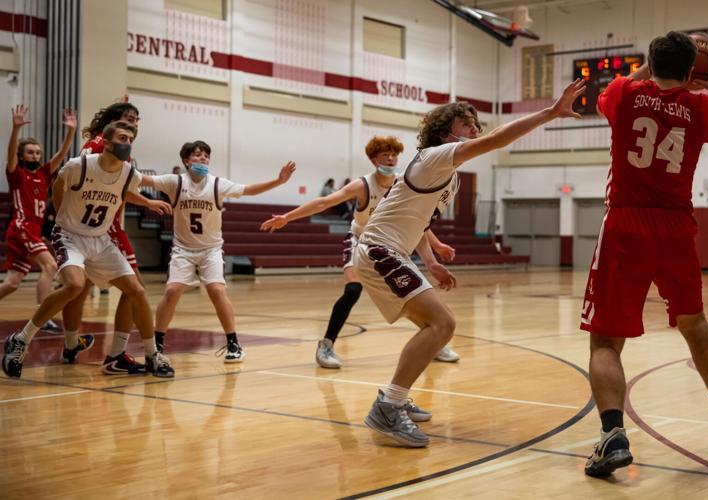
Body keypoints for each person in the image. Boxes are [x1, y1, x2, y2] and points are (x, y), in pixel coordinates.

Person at [354, 81, 586, 447]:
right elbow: (498, 141)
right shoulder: (434, 157)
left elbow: (417, 224)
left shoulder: (449, 175)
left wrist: (430, 262)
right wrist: (550, 113)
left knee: (434, 328)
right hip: (380, 251)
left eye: (476, 124)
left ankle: (396, 397)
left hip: (392, 251)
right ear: (447, 131)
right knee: (442, 323)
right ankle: (388, 405)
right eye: (467, 125)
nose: (475, 130)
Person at [579, 32, 708, 477]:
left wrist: (651, 66)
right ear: (694, 71)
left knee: (605, 338)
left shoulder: (623, 92)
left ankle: (613, 435)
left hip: (625, 224)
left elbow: (627, 87)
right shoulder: (704, 105)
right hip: (677, 227)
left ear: (649, 62)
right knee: (694, 322)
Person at [260, 136, 458, 369]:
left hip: (388, 245)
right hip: (360, 242)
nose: (391, 159)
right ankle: (326, 344)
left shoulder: (404, 183)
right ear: (374, 159)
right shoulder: (363, 185)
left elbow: (418, 221)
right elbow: (324, 202)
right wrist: (287, 217)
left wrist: (437, 246)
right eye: (386, 155)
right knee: (353, 290)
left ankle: (434, 340)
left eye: (394, 154)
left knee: (409, 293)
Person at [2, 120, 174, 378]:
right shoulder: (78, 166)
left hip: (100, 239)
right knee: (74, 285)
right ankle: (21, 340)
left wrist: (148, 201)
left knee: (136, 290)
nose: (127, 143)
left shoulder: (128, 172)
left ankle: (147, 354)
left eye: (130, 139)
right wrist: (64, 219)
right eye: (122, 138)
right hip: (70, 236)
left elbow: (126, 191)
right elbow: (58, 188)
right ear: (105, 142)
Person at [143, 141, 296, 362]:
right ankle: (157, 343)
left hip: (210, 249)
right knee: (172, 291)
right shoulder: (174, 182)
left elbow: (249, 190)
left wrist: (279, 181)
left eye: (206, 156)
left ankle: (233, 342)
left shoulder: (217, 184)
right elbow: (143, 179)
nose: (203, 159)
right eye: (198, 155)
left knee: (216, 290)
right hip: (183, 249)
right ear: (186, 161)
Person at [60, 100, 149, 374]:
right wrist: (149, 202)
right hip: (103, 225)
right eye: (127, 118)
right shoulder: (104, 146)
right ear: (114, 122)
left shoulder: (102, 142)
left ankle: (71, 344)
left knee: (81, 287)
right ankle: (117, 354)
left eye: (136, 119)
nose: (133, 122)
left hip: (90, 222)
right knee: (135, 287)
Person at [0, 105, 77, 334]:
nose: (35, 155)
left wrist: (71, 131)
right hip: (22, 227)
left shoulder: (43, 173)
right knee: (50, 265)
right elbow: (10, 154)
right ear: (22, 156)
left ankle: (41, 316)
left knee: (12, 283)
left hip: (31, 229)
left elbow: (61, 154)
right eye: (30, 152)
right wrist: (15, 130)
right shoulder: (17, 174)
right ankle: (42, 316)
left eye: (37, 152)